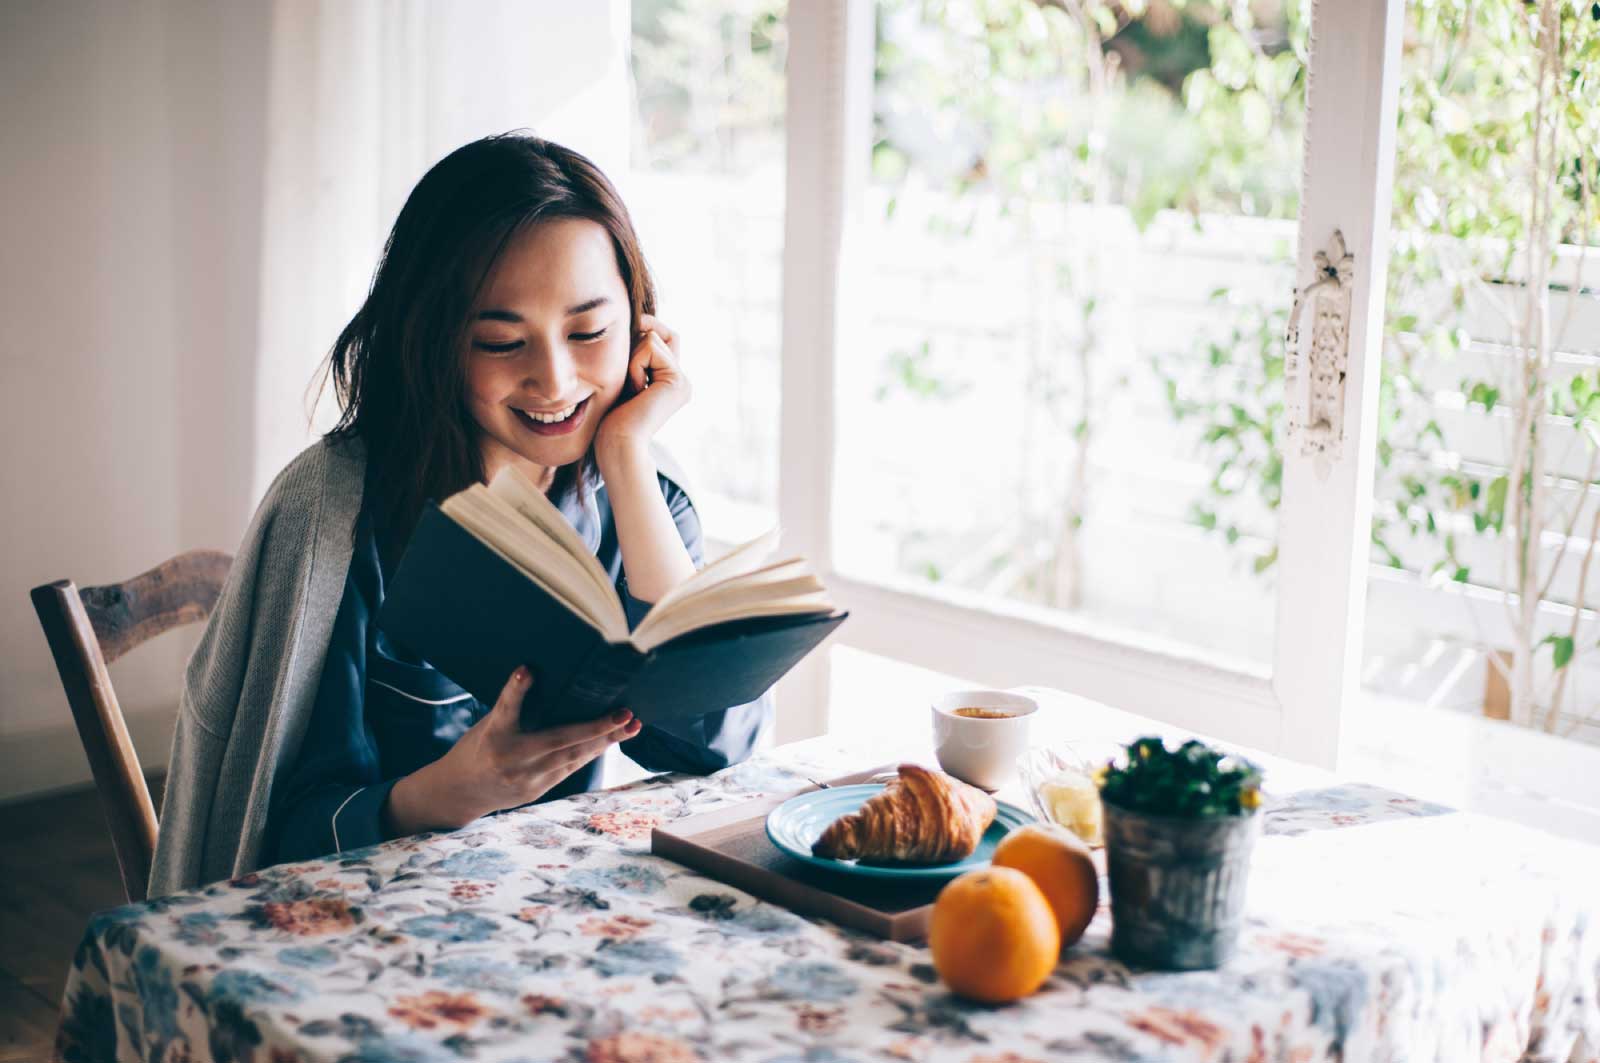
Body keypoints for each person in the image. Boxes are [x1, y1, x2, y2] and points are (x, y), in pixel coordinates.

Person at [149, 133, 770, 893]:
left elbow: (717, 745)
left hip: (555, 917)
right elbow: (271, 839)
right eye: (502, 341)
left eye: (589, 332)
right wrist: (453, 790)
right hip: (364, 935)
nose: (555, 379)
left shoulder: (639, 487)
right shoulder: (339, 520)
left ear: (641, 326)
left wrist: (631, 453)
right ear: (433, 343)